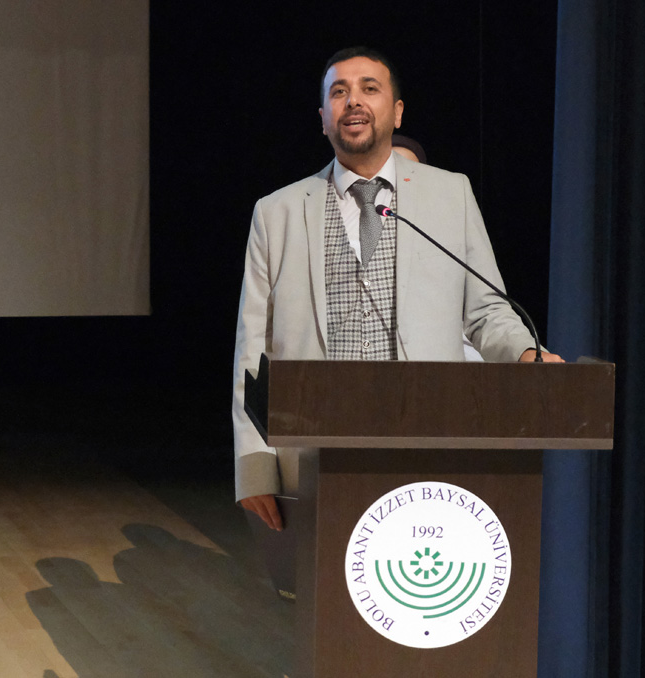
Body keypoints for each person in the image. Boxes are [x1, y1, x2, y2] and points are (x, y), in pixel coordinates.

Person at [233, 46, 562, 531]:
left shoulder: (450, 193)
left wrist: (524, 354)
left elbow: (486, 311)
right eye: (338, 92)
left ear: (397, 111)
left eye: (369, 89)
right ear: (323, 118)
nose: (353, 101)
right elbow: (253, 348)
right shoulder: (276, 212)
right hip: (314, 449)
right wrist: (253, 465)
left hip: (428, 439)